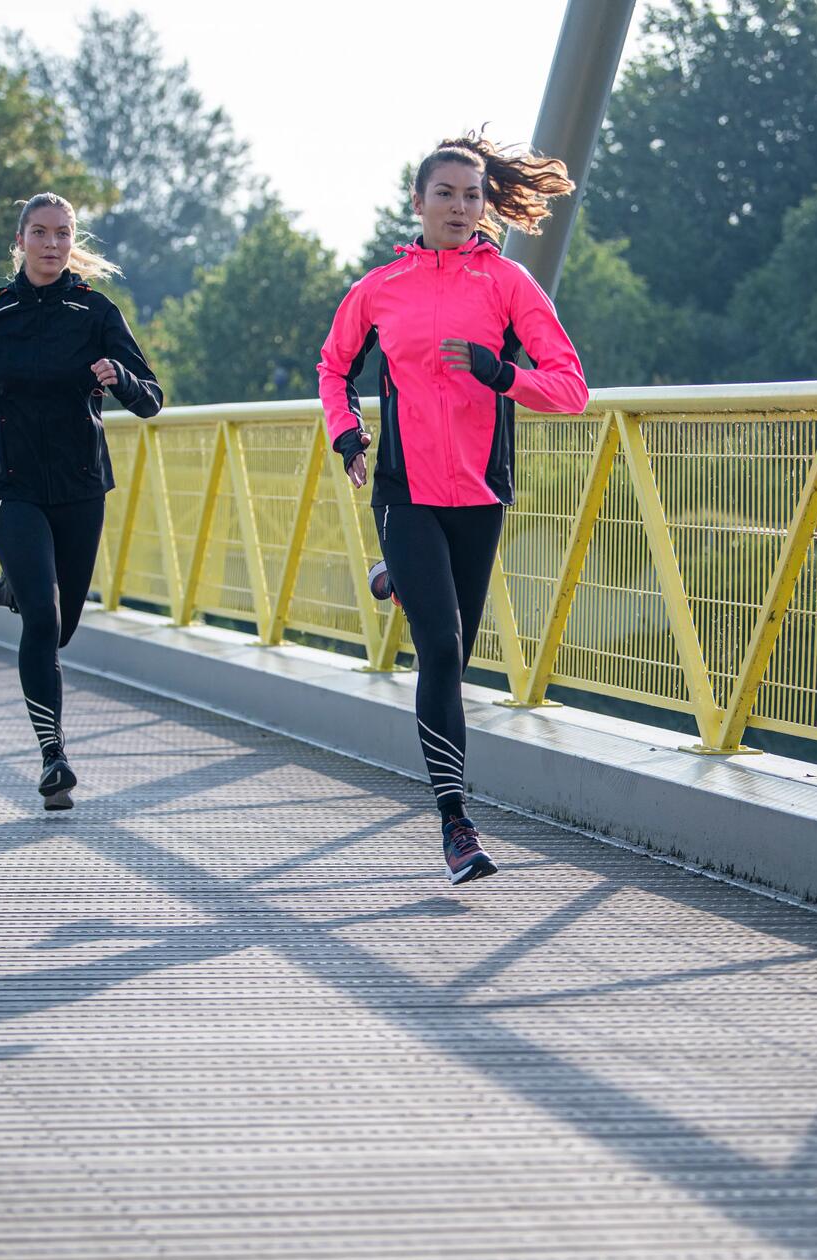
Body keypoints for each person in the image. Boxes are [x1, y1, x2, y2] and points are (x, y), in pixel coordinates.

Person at [316, 134, 588, 884]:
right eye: (446, 193)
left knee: (455, 653)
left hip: (479, 493)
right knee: (438, 650)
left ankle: (398, 578)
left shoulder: (508, 285)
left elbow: (570, 388)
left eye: (472, 194)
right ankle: (456, 821)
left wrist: (502, 373)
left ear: (485, 203)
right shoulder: (379, 288)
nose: (460, 207)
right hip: (404, 489)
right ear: (418, 202)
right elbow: (334, 365)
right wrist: (347, 433)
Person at [0, 192, 163, 810]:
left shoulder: (94, 312)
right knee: (41, 617)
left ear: (72, 242)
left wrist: (121, 380)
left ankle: (13, 585)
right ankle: (53, 755)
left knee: (59, 627)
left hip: (81, 486)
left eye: (62, 233)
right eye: (40, 233)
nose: (52, 244)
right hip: (13, 486)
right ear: (20, 241)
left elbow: (152, 398)